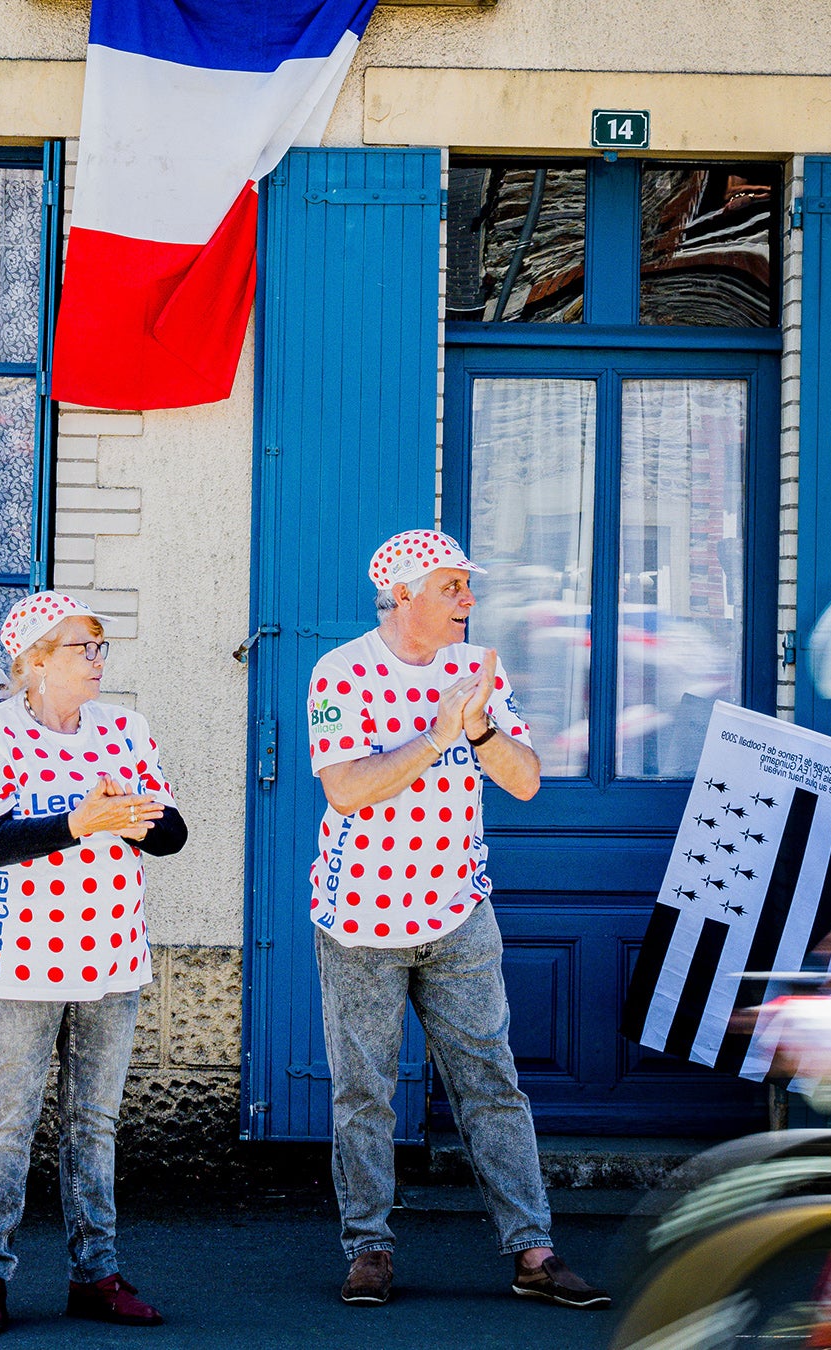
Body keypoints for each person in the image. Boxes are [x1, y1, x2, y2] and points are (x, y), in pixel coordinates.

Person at [307, 529, 607, 1311]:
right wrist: (435, 735)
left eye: (468, 588)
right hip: (361, 918)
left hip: (458, 910)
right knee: (364, 1091)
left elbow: (527, 780)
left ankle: (533, 1251)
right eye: (452, 588)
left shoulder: (481, 669)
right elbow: (345, 788)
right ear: (404, 595)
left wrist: (477, 730)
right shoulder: (340, 672)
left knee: (491, 1082)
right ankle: (368, 1248)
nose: (469, 601)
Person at [0, 592, 186, 1338]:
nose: (98, 660)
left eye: (100, 646)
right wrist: (81, 821)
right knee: (6, 1126)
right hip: (17, 962)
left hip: (113, 960)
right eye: (82, 648)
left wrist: (131, 812)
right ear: (37, 661)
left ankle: (97, 1275)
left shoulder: (126, 730)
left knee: (94, 1124)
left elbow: (171, 834)